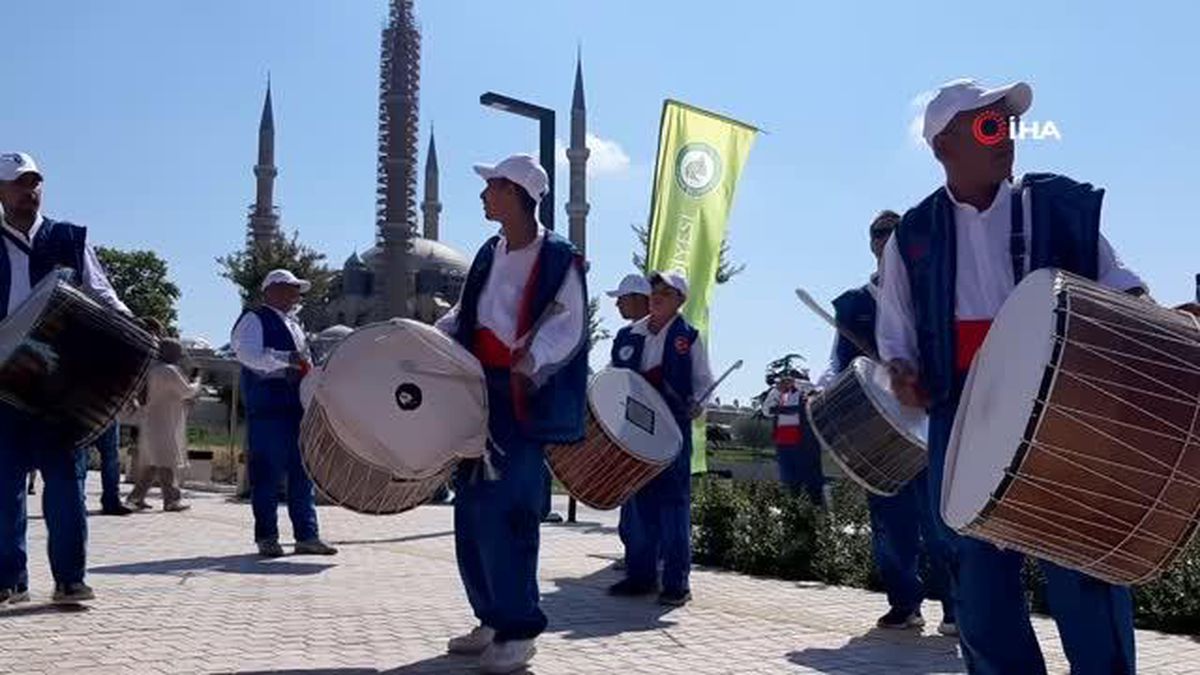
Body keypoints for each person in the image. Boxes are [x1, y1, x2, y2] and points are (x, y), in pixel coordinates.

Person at [877, 79, 1144, 674]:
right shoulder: (912, 236)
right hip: (964, 417)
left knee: (1081, 559)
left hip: (1062, 410)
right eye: (988, 126)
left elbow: (1120, 281)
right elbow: (897, 337)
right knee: (976, 574)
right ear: (944, 146)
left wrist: (1155, 311)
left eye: (1008, 126)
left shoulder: (1055, 206)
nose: (1006, 138)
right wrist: (903, 374)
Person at [434, 153, 588, 674]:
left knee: (513, 513)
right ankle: (491, 618)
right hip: (476, 393)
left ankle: (520, 629)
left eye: (492, 186)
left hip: (520, 398)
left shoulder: (558, 257)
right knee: (471, 509)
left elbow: (568, 324)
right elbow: (466, 313)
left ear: (518, 193)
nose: (483, 195)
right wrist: (427, 338)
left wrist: (532, 358)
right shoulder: (487, 251)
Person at [817, 209, 956, 634]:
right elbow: (837, 363)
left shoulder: (932, 295)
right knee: (890, 527)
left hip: (929, 427)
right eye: (879, 234)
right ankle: (904, 604)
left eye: (894, 234)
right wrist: (821, 389)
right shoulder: (854, 304)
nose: (885, 241)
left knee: (939, 524)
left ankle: (955, 608)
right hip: (876, 431)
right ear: (871, 243)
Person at [0, 151, 130, 604]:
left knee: (66, 483)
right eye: (17, 183)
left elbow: (104, 295)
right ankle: (8, 580)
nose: (28, 191)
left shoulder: (71, 239)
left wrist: (136, 336)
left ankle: (69, 579)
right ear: (0, 192)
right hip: (4, 385)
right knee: (3, 485)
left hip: (62, 383)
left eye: (34, 182)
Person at [607, 271, 713, 607]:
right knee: (637, 504)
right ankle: (640, 576)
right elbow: (613, 377)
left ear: (680, 300)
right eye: (655, 289)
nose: (657, 295)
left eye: (667, 292)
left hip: (671, 432)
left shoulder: (689, 338)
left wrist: (699, 404)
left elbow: (702, 381)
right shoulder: (627, 336)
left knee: (673, 506)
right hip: (633, 434)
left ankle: (676, 583)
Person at [232, 269, 337, 559]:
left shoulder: (294, 324)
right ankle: (267, 537)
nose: (295, 295)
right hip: (268, 409)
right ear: (272, 290)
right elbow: (247, 354)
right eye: (290, 289)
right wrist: (284, 361)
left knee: (302, 473)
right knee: (266, 475)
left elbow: (304, 360)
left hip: (296, 409)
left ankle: (307, 535)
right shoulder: (254, 319)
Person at [606, 272, 651, 571]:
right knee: (630, 492)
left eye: (621, 299)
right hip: (626, 426)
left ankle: (647, 552)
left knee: (645, 493)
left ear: (637, 299)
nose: (617, 305)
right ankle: (635, 550)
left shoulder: (657, 335)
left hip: (646, 428)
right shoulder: (625, 336)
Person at [125, 339, 201, 512]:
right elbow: (186, 392)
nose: (180, 357)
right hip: (164, 422)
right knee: (166, 461)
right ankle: (172, 499)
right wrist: (197, 381)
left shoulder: (152, 369)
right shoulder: (169, 370)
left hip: (152, 420)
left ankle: (136, 497)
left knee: (153, 462)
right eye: (178, 353)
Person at [762, 369, 824, 505]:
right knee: (791, 485)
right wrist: (777, 390)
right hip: (786, 445)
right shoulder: (779, 394)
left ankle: (817, 512)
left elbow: (815, 390)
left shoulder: (807, 391)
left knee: (813, 486)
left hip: (807, 445)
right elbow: (766, 410)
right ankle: (793, 510)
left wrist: (795, 382)